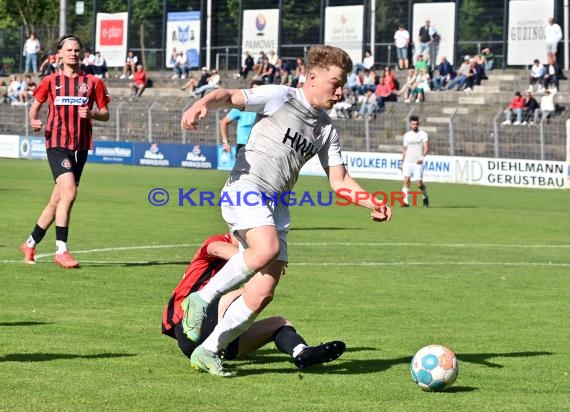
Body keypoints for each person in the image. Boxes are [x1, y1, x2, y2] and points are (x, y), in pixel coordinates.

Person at [179, 45, 392, 376]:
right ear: (311, 77)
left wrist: (371, 201)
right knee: (267, 248)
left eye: (343, 85)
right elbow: (231, 95)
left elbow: (340, 179)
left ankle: (209, 350)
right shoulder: (282, 97)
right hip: (245, 188)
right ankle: (201, 299)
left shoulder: (326, 129)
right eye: (335, 83)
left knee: (263, 291)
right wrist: (202, 103)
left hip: (276, 205)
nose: (340, 91)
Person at [162, 233, 346, 374]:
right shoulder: (219, 240)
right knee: (249, 292)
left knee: (280, 323)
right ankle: (207, 342)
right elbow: (215, 249)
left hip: (215, 342)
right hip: (188, 325)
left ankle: (302, 353)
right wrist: (260, 260)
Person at [20, 34, 110, 268]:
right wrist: (33, 121)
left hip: (80, 147)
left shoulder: (93, 82)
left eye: (77, 50)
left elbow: (105, 113)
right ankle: (61, 250)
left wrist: (92, 114)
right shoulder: (50, 81)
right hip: (57, 144)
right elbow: (35, 107)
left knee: (57, 200)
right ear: (59, 54)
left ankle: (30, 243)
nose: (73, 53)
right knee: (69, 193)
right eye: (68, 50)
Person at [219, 80, 263, 154]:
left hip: (260, 146)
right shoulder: (241, 107)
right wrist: (225, 142)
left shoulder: (265, 108)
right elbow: (223, 122)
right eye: (254, 91)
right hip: (243, 146)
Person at [401, 116, 429, 208]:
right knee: (406, 181)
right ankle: (405, 202)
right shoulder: (407, 135)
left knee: (419, 183)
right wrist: (402, 162)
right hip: (408, 162)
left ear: (418, 124)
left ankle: (425, 197)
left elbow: (426, 148)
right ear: (410, 124)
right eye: (413, 124)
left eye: (416, 124)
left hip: (418, 163)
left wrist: (422, 157)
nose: (414, 126)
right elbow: (405, 149)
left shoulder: (423, 134)